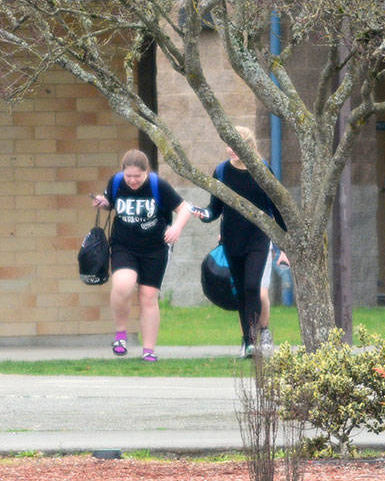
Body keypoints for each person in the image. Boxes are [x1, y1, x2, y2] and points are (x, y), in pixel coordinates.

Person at [92, 149, 193, 362]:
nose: (132, 181)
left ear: (146, 172)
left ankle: (148, 349)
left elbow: (185, 209)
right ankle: (120, 334)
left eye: (137, 177)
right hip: (123, 246)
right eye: (129, 176)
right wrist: (104, 203)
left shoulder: (159, 186)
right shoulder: (116, 182)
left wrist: (176, 229)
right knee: (123, 285)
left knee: (148, 297)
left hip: (154, 249)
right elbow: (112, 203)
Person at [199, 127, 289, 358]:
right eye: (228, 145)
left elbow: (276, 206)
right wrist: (205, 215)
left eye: (236, 145)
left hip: (258, 237)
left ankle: (254, 337)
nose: (231, 150)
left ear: (249, 147)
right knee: (241, 290)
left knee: (252, 286)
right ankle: (248, 342)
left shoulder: (262, 170)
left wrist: (286, 240)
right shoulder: (221, 171)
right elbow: (215, 208)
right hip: (231, 238)